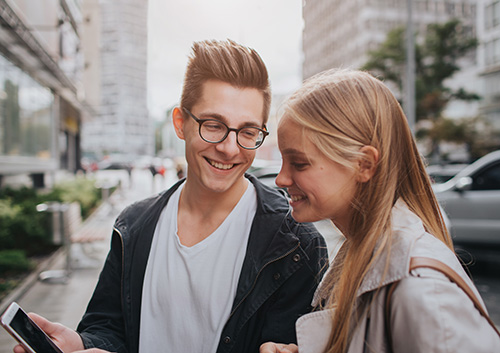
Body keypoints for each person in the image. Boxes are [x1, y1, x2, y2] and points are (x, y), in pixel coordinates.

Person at [14, 40, 328, 353]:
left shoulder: (296, 245)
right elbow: (107, 326)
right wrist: (83, 343)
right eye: (214, 125)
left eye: (247, 132)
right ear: (180, 123)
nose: (230, 148)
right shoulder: (134, 225)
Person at [260, 69, 500, 353]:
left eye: (299, 163)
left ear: (364, 164)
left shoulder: (423, 295)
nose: (281, 179)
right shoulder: (365, 255)